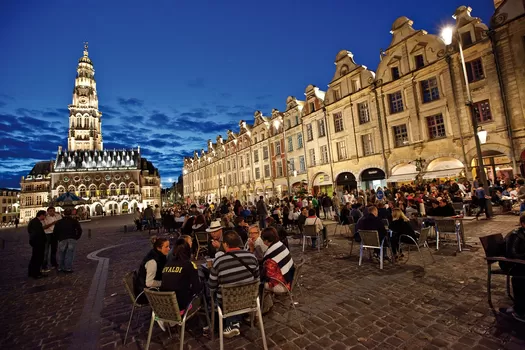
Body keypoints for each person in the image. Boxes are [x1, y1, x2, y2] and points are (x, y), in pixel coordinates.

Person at [209, 231, 259, 338]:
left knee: (218, 292)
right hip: (249, 298)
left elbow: (212, 286)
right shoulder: (252, 257)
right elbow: (257, 278)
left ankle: (231, 324)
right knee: (235, 288)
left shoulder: (219, 261)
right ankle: (236, 321)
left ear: (226, 244)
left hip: (228, 301)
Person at [161, 238, 202, 315]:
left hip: (164, 306)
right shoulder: (189, 265)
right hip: (181, 307)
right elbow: (197, 288)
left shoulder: (167, 264)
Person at [260, 227, 295, 313]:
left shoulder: (270, 256)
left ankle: (264, 307)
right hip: (290, 279)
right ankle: (268, 304)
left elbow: (268, 276)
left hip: (283, 285)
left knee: (258, 285)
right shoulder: (281, 245)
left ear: (266, 241)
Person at [500, 215, 525, 322]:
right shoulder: (515, 235)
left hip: (521, 264)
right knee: (520, 279)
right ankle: (520, 311)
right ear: (523, 223)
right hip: (515, 265)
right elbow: (512, 254)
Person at [135, 237, 169, 304]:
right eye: (166, 247)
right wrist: (164, 283)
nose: (169, 249)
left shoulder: (160, 256)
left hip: (150, 289)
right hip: (146, 293)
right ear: (159, 248)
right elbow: (149, 283)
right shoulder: (152, 261)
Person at [53, 208, 82, 273]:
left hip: (62, 239)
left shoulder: (59, 222)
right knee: (70, 254)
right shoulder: (74, 221)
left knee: (61, 254)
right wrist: (76, 237)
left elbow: (55, 232)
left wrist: (58, 238)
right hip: (72, 238)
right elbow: (79, 230)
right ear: (71, 213)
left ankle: (60, 267)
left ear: (64, 213)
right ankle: (68, 268)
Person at [27, 210, 48, 279]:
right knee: (38, 258)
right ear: (41, 215)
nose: (45, 217)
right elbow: (37, 233)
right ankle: (36, 273)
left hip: (36, 242)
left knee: (35, 258)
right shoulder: (36, 222)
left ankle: (32, 272)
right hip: (38, 243)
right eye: (45, 215)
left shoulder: (34, 221)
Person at [42, 206, 62, 272]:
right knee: (46, 250)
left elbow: (61, 222)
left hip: (55, 234)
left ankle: (54, 263)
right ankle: (44, 265)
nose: (52, 212)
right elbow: (44, 227)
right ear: (48, 211)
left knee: (54, 249)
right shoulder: (45, 217)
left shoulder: (58, 216)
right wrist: (53, 223)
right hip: (47, 234)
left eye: (53, 211)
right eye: (50, 211)